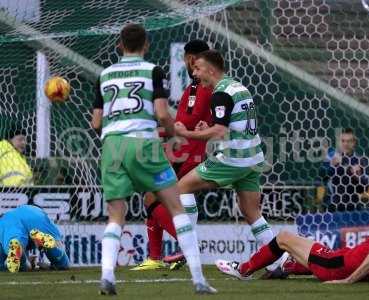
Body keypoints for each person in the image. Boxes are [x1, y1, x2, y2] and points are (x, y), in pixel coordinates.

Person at [91, 24, 215, 295]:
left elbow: (96, 122)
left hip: (112, 146)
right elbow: (161, 113)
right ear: (146, 45)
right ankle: (198, 279)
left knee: (115, 215)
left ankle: (107, 276)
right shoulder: (153, 71)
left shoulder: (104, 75)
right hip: (144, 144)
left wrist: (112, 134)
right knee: (175, 206)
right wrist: (173, 135)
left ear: (119, 45)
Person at [174, 50, 274, 248]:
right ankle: (278, 261)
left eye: (198, 68)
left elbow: (220, 132)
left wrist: (187, 134)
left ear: (210, 70)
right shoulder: (238, 87)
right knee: (252, 213)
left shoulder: (220, 93)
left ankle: (186, 248)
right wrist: (208, 128)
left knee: (181, 188)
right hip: (253, 159)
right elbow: (234, 128)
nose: (194, 74)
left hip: (233, 159)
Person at [132, 40, 213, 271]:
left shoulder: (200, 86)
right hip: (183, 151)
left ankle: (186, 247)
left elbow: (186, 121)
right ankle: (156, 257)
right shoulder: (197, 86)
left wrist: (155, 130)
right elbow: (188, 120)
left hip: (187, 154)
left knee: (152, 196)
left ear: (191, 58)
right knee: (152, 197)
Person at [216, 213, 369, 283]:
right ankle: (287, 266)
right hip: (345, 260)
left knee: (283, 238)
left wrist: (349, 281)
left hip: (338, 266)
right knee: (308, 250)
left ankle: (243, 269)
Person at [0, 205, 69, 273]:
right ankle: (58, 260)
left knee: (16, 247)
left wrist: (28, 264)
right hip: (36, 215)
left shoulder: (5, 218)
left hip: (7, 221)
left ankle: (21, 260)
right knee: (62, 263)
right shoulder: (38, 212)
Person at [319, 128, 369, 211]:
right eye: (343, 141)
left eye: (349, 141)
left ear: (354, 142)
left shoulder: (359, 160)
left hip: (353, 206)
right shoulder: (331, 156)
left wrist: (356, 176)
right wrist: (332, 166)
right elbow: (321, 175)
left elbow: (365, 188)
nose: (345, 144)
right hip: (332, 206)